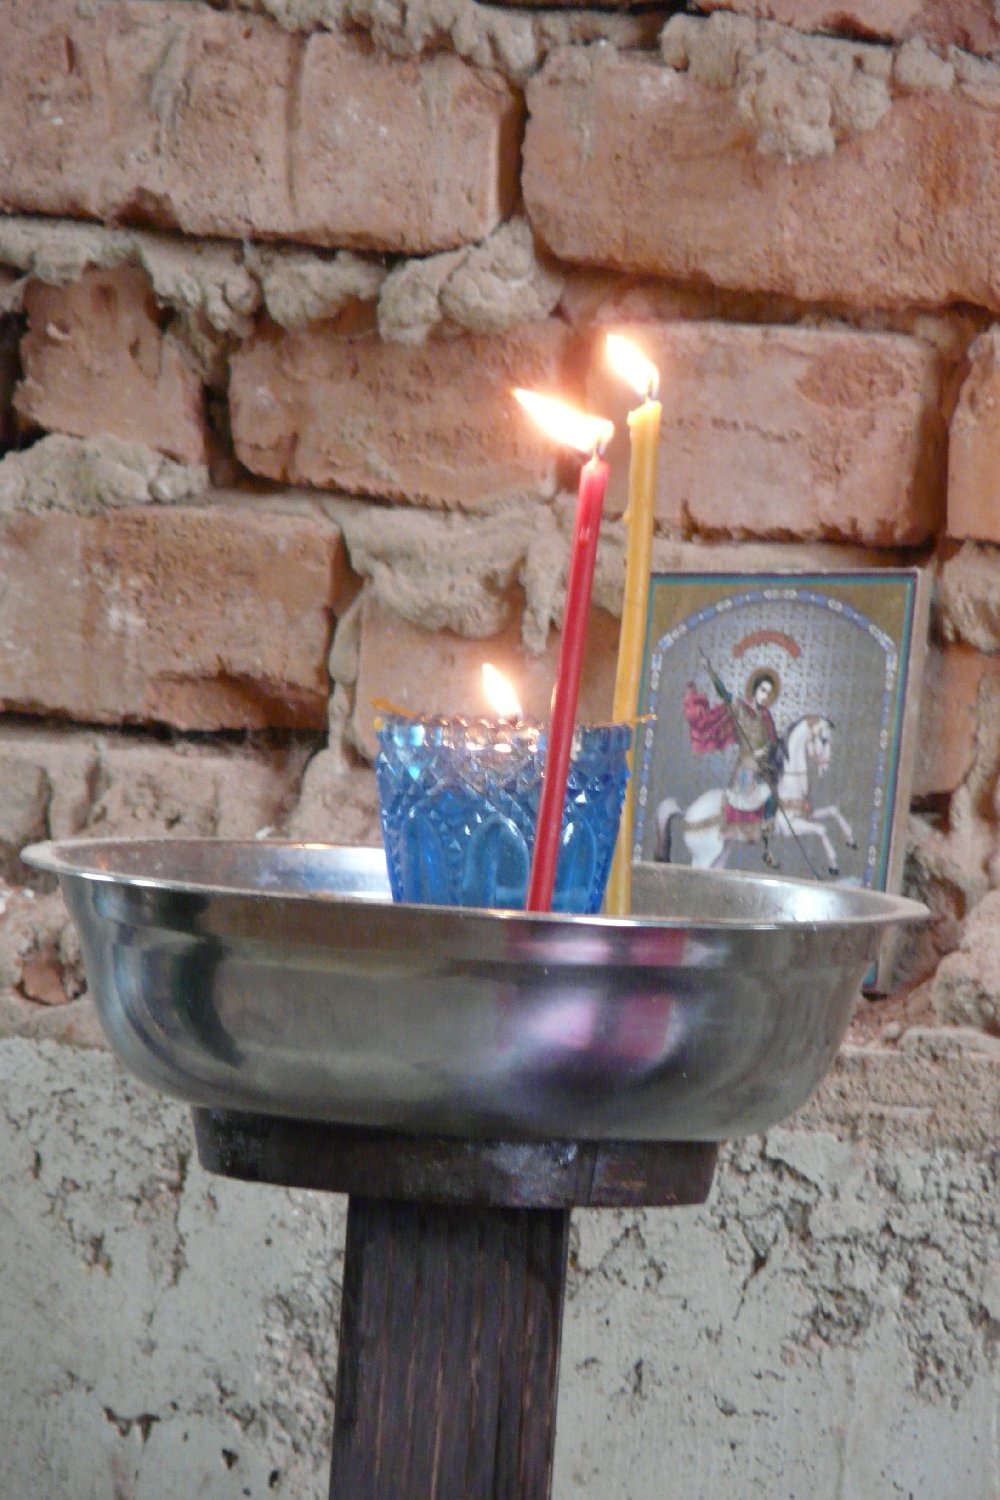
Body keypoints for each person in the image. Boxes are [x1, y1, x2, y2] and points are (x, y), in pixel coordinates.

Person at [682, 663, 783, 866]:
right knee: (768, 794)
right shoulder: (740, 709)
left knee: (775, 794)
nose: (764, 696)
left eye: (768, 693)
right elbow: (724, 694)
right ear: (754, 689)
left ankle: (766, 841)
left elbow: (772, 742)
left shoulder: (766, 718)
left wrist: (769, 751)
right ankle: (759, 841)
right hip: (746, 771)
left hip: (763, 769)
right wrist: (711, 672)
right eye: (762, 690)